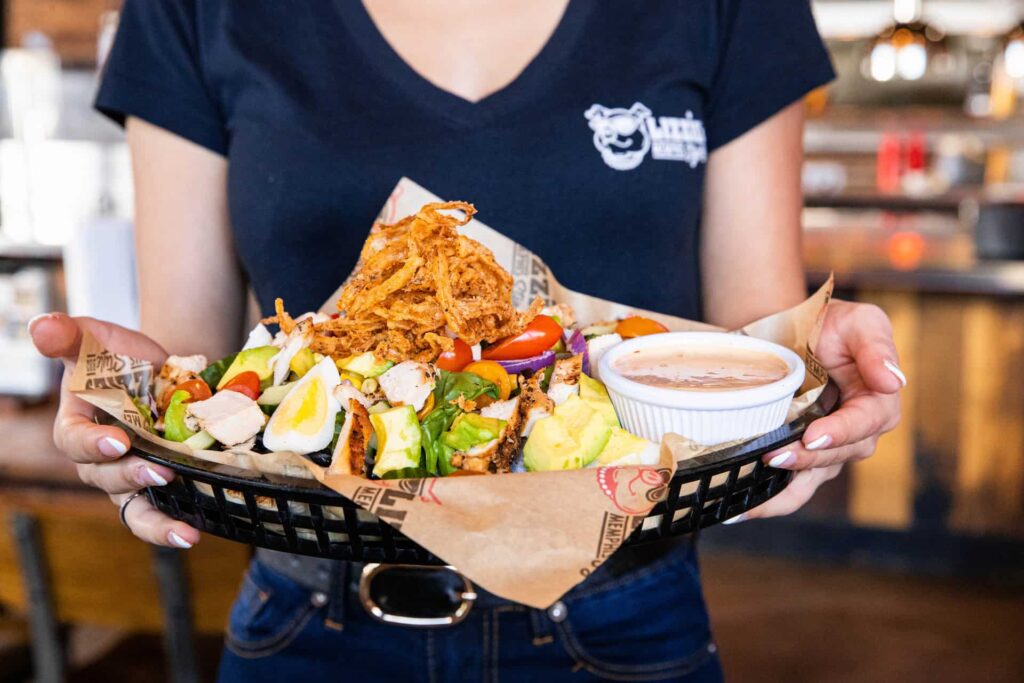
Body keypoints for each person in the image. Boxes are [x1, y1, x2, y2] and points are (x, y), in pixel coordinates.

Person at [29, 1, 903, 680]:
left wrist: (801, 378)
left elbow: (753, 338)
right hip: (311, 621)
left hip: (626, 615)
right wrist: (137, 411)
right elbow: (198, 362)